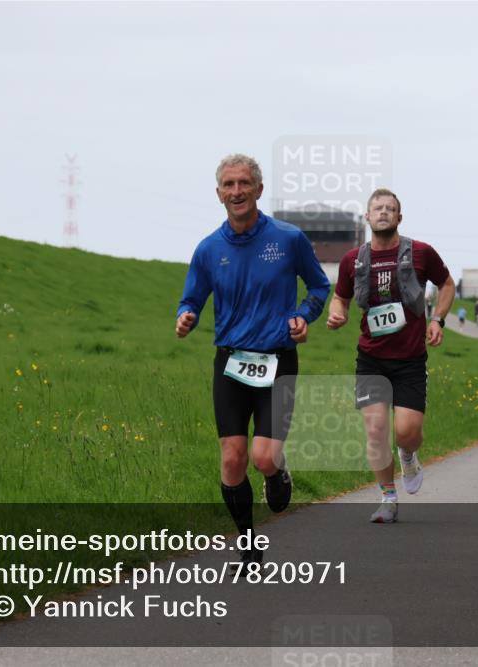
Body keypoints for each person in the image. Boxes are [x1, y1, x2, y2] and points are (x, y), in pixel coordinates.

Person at [176, 154, 330, 564]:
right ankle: (248, 544)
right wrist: (186, 316)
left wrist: (304, 315)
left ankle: (276, 471)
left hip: (278, 361)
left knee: (262, 457)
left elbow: (319, 286)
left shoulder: (289, 239)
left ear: (259, 189)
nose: (237, 191)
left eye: (244, 183)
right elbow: (191, 298)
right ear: (218, 194)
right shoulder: (209, 249)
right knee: (231, 458)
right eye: (229, 185)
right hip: (230, 364)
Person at [326, 188, 455, 523]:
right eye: (377, 208)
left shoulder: (421, 253)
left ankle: (408, 456)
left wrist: (438, 319)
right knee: (375, 431)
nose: (383, 212)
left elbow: (447, 284)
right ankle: (387, 498)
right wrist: (337, 313)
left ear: (399, 216)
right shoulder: (352, 260)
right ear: (367, 217)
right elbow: (340, 297)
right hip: (371, 359)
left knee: (407, 433)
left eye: (390, 208)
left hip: (410, 360)